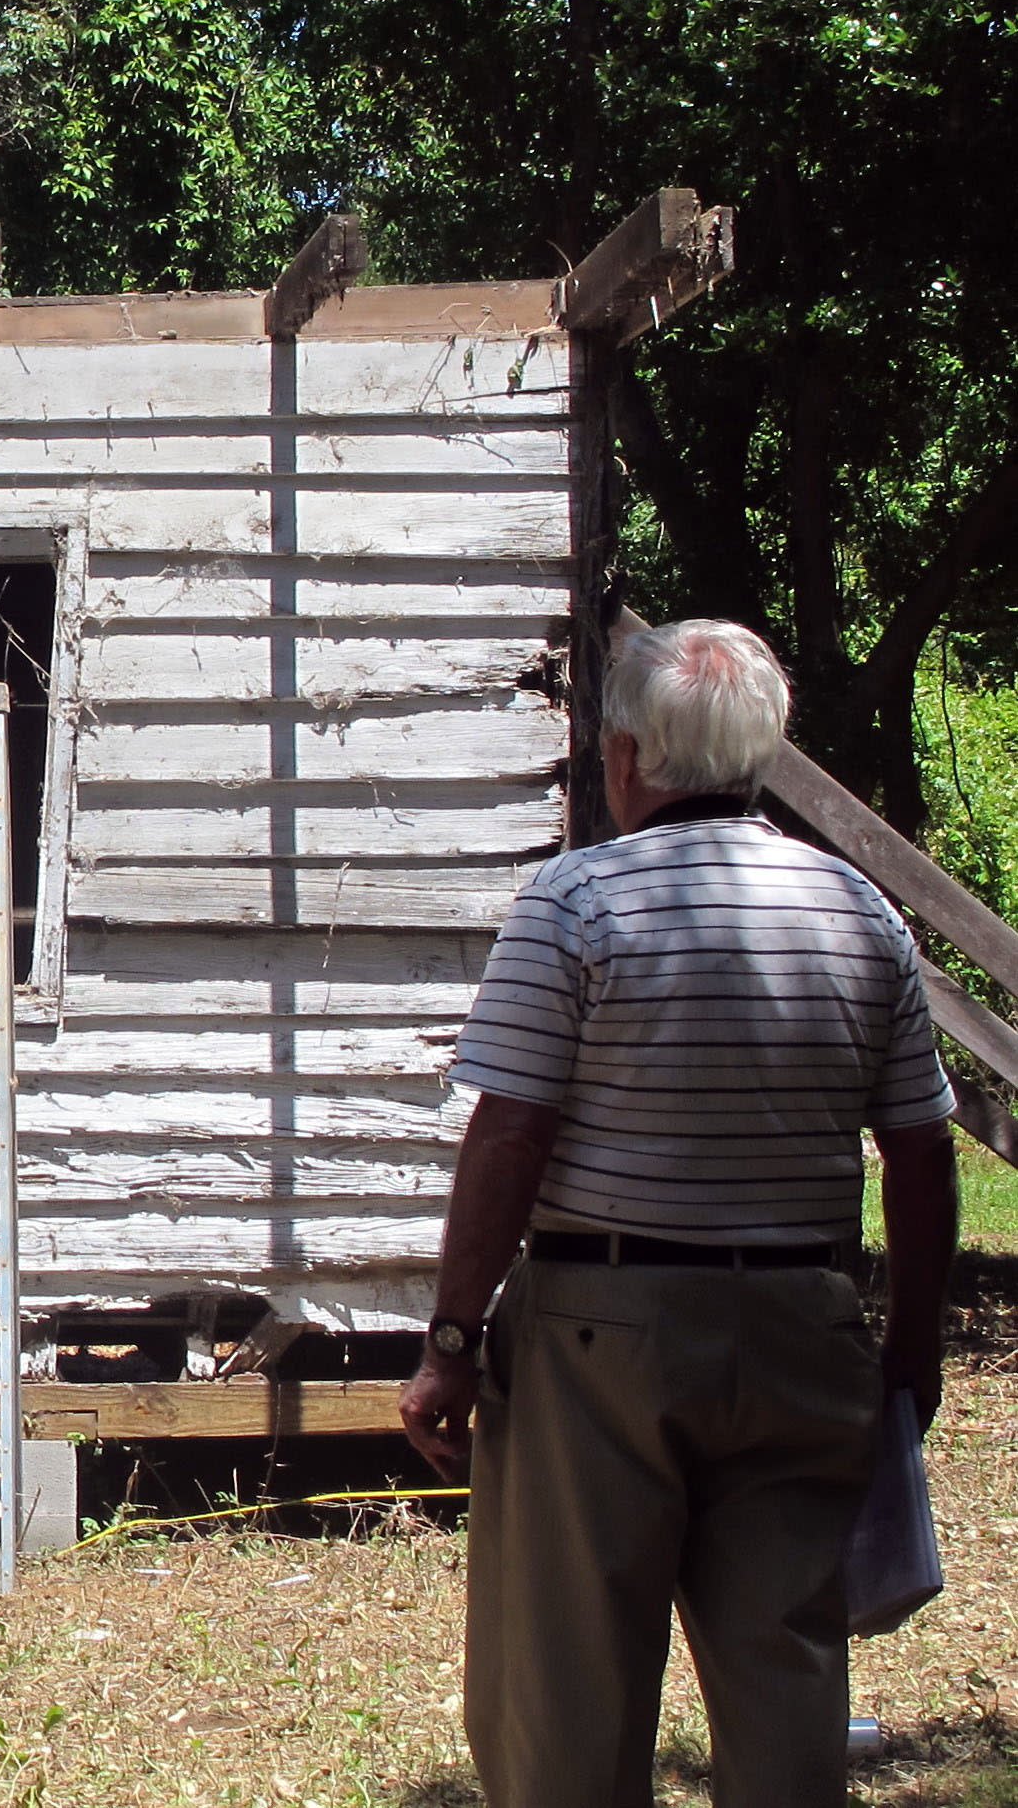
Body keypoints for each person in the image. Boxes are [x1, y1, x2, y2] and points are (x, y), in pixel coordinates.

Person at [398, 619, 959, 1808]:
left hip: (604, 1327)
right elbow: (916, 1150)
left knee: (569, 1680)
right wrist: (910, 1342)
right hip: (801, 1321)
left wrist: (449, 1341)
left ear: (624, 756)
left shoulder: (575, 901)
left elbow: (508, 1133)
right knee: (784, 1666)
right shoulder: (859, 913)